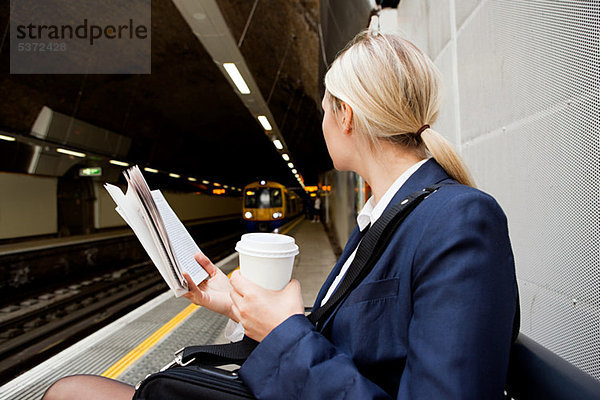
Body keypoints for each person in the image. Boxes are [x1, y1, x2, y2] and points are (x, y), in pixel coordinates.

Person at [42, 30, 518, 400]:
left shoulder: (459, 219)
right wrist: (235, 303)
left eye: (326, 109)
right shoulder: (388, 213)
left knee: (70, 392)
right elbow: (361, 340)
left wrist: (284, 331)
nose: (324, 122)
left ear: (346, 115)